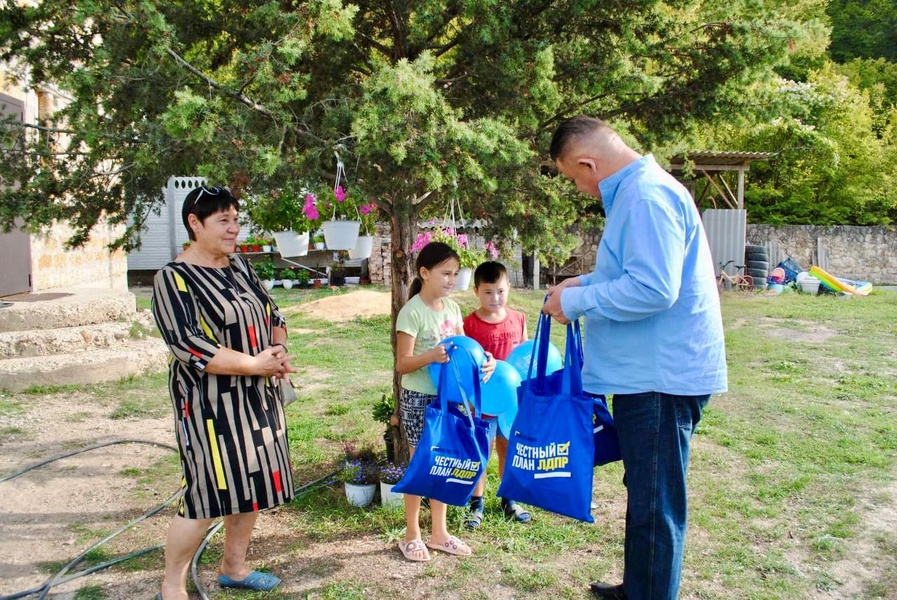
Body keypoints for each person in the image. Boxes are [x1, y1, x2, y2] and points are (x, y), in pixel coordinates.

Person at [543, 116, 727, 600]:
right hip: (646, 376)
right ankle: (641, 587)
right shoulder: (637, 193)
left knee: (655, 502)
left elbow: (653, 288)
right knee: (645, 491)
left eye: (573, 178)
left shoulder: (645, 196)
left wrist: (578, 302)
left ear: (587, 163)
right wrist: (579, 284)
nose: (580, 188)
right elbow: (626, 271)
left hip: (660, 381)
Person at [151, 186, 297, 600]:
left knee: (249, 485)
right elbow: (188, 344)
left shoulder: (238, 267)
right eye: (223, 221)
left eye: (236, 219)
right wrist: (253, 364)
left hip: (257, 399)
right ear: (195, 225)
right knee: (206, 494)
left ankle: (233, 567)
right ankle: (172, 584)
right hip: (209, 407)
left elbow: (274, 315)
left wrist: (278, 350)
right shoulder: (173, 279)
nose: (234, 229)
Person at [394, 241, 495, 562]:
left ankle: (439, 533)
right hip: (418, 398)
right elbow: (402, 363)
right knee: (421, 465)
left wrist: (485, 360)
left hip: (450, 397)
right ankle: (411, 535)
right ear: (424, 273)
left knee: (443, 463)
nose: (452, 280)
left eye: (455, 274)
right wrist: (430, 356)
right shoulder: (411, 312)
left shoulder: (451, 309)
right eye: (445, 273)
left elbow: (464, 349)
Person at [461, 260, 531, 528]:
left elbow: (525, 357)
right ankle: (476, 502)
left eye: (500, 291)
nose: (495, 298)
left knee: (508, 450)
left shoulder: (518, 319)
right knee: (482, 452)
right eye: (488, 292)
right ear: (476, 291)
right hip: (483, 403)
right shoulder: (469, 324)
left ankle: (509, 498)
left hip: (511, 402)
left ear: (509, 288)